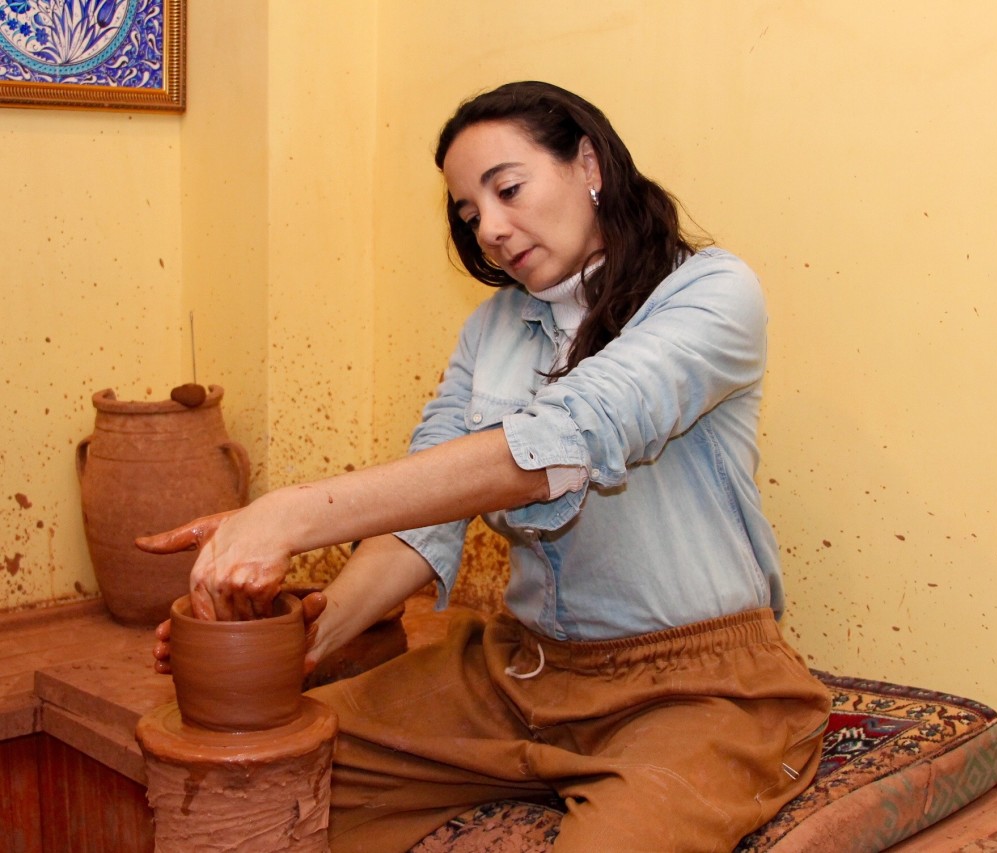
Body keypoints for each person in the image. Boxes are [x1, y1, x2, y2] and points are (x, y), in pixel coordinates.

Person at [140, 81, 831, 852]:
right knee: (263, 779)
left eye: (507, 189)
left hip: (697, 689)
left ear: (589, 163)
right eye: (471, 214)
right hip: (521, 671)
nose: (493, 230)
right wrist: (294, 644)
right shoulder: (493, 329)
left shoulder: (710, 292)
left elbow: (565, 439)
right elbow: (425, 518)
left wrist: (292, 513)